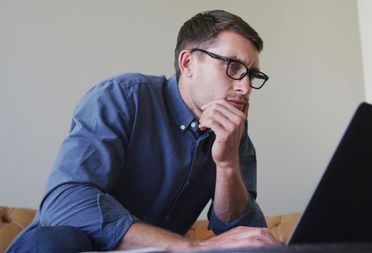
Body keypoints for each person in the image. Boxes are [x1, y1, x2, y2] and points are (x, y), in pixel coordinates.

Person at [7, 9, 280, 252]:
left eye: (253, 76)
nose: (245, 88)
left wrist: (228, 164)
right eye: (233, 66)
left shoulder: (235, 133)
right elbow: (63, 201)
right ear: (188, 63)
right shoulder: (124, 97)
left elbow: (244, 236)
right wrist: (187, 246)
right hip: (68, 246)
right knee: (57, 241)